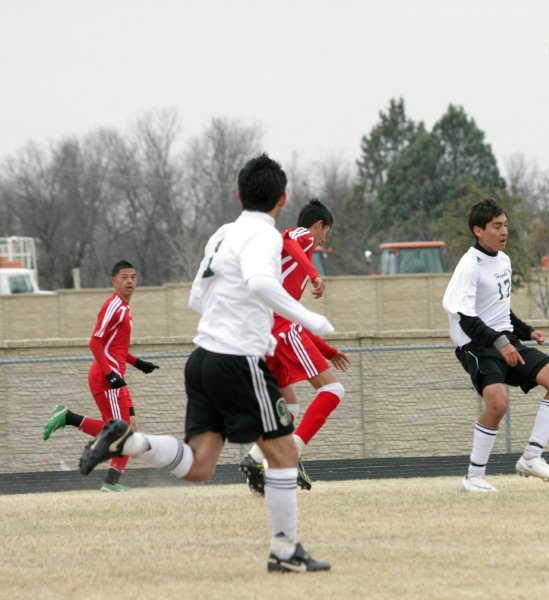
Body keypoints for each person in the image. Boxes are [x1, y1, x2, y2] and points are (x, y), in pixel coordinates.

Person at [78, 153, 334, 573]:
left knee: (200, 464)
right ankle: (285, 553)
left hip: (202, 359)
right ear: (282, 199)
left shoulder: (222, 233)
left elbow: (197, 297)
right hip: (236, 359)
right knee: (285, 453)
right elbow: (259, 281)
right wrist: (310, 319)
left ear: (238, 194)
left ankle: (129, 442)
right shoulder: (266, 237)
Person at [442, 198, 549, 493]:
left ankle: (531, 457)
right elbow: (466, 318)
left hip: (505, 341)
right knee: (498, 403)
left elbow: (500, 310)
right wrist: (500, 342)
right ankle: (473, 477)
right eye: (496, 226)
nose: (504, 232)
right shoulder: (469, 266)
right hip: (476, 346)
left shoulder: (503, 260)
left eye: (505, 226)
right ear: (478, 230)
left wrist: (527, 331)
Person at [239, 199, 351, 496]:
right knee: (332, 391)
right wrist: (314, 274)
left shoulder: (290, 270)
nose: (323, 241)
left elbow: (294, 316)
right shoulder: (301, 236)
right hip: (279, 329)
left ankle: (255, 459)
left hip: (269, 331)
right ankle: (292, 453)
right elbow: (289, 240)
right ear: (319, 226)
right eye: (325, 234)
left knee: (288, 405)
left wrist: (328, 351)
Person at [42, 260, 159, 492]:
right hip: (107, 377)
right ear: (113, 281)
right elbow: (95, 342)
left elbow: (115, 348)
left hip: (115, 375)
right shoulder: (114, 305)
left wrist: (138, 363)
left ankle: (69, 418)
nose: (130, 281)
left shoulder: (124, 308)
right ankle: (111, 483)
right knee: (122, 431)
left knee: (128, 428)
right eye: (124, 277)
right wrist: (110, 374)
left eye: (133, 277)